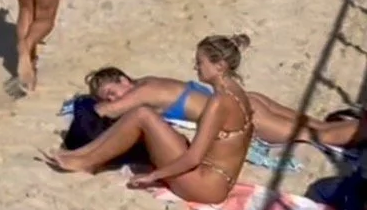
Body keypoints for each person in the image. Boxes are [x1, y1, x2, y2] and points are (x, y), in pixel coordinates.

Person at [44, 37, 253, 206]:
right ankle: (81, 155)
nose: (196, 67)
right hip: (219, 182)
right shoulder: (237, 93)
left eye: (200, 63)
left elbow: (193, 158)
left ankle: (85, 160)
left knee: (142, 115)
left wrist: (153, 176)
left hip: (204, 186)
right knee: (149, 118)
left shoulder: (218, 102)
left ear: (220, 66)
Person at [83, 61, 359, 147]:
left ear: (124, 79)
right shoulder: (150, 81)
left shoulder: (144, 91)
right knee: (317, 126)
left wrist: (91, 106)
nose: (114, 99)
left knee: (319, 136)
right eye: (108, 96)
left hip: (242, 114)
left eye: (112, 91)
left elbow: (102, 112)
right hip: (247, 100)